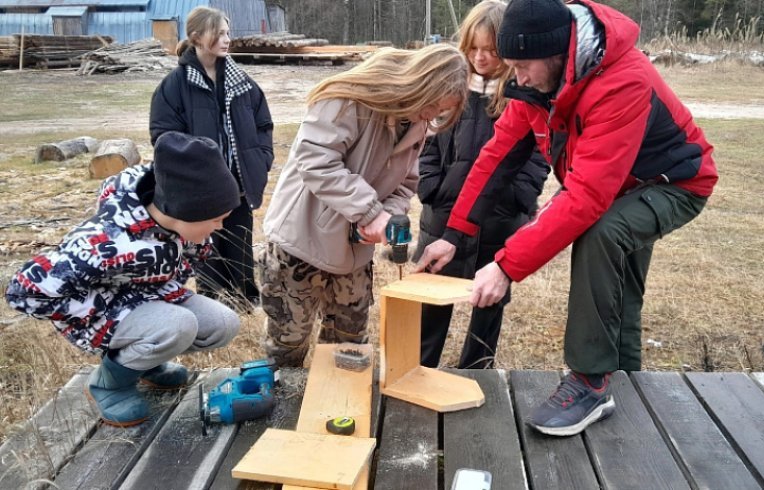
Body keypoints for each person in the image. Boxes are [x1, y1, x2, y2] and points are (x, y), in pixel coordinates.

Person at [415, 0, 718, 436]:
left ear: (557, 52)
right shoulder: (539, 84)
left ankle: (590, 381)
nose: (515, 77)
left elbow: (588, 197)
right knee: (620, 281)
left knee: (602, 233)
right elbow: (495, 158)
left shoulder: (621, 81)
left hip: (675, 183)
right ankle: (627, 380)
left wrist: (504, 266)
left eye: (522, 66)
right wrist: (454, 235)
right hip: (621, 185)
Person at [5, 132, 242, 427]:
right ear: (184, 211)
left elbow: (186, 257)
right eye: (217, 219)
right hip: (104, 315)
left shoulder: (179, 223)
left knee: (223, 325)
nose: (220, 227)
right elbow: (24, 290)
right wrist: (91, 312)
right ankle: (108, 384)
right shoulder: (104, 241)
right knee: (179, 325)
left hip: (155, 298)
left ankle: (146, 362)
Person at [261, 44, 469, 368]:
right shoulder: (350, 98)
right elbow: (315, 161)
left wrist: (390, 215)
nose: (430, 117)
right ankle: (282, 411)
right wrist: (371, 212)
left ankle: (341, 410)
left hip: (352, 255)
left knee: (349, 348)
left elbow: (405, 184)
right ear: (418, 83)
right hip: (300, 244)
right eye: (430, 106)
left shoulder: (416, 122)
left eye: (439, 113)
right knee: (287, 347)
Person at [414, 0, 549, 369]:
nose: (481, 57)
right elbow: (426, 142)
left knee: (488, 305)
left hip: (499, 223)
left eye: (490, 50)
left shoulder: (524, 95)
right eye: (474, 48)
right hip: (441, 219)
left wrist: (519, 196)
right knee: (430, 304)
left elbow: (539, 156)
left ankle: (476, 373)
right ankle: (420, 370)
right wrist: (431, 185)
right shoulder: (448, 89)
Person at [150, 6, 274, 312]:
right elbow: (163, 136)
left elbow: (263, 124)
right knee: (206, 249)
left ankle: (245, 301)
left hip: (239, 184)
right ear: (196, 37)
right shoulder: (175, 85)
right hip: (201, 190)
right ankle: (213, 305)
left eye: (228, 32)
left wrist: (260, 158)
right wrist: (190, 176)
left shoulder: (241, 81)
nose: (226, 39)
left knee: (240, 244)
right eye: (218, 33)